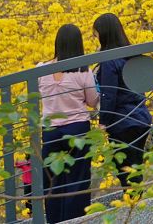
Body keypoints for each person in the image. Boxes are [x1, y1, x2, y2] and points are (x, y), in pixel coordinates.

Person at [38, 24, 99, 223]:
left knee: (53, 181)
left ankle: (55, 220)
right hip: (77, 129)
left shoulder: (41, 69)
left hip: (50, 131)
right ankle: (75, 220)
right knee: (77, 179)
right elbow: (92, 101)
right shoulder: (83, 71)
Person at [93, 13, 152, 190]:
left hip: (122, 121)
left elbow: (109, 94)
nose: (96, 40)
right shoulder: (132, 54)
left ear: (104, 34)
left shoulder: (109, 60)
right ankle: (136, 205)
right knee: (136, 167)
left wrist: (103, 121)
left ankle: (134, 208)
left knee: (125, 170)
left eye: (96, 35)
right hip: (141, 118)